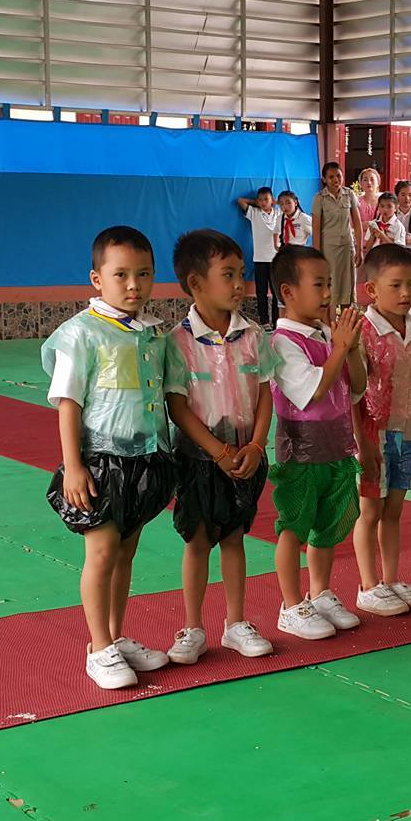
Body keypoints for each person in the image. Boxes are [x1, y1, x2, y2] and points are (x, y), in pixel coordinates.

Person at [43, 226, 180, 690]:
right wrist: (74, 466)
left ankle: (116, 636)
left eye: (144, 274)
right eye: (120, 274)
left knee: (126, 552)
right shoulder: (80, 334)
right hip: (102, 463)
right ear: (96, 279)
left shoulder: (155, 334)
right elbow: (68, 403)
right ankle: (98, 647)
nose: (133, 285)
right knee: (101, 554)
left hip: (146, 460)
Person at [163, 230, 278, 665]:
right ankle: (192, 627)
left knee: (233, 537)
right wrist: (217, 452)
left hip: (246, 456)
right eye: (227, 275)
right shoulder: (178, 342)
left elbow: (264, 392)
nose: (239, 285)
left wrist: (257, 445)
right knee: (198, 540)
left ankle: (235, 623)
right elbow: (177, 406)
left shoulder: (253, 335)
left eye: (241, 274)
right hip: (200, 458)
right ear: (195, 283)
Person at [267, 244, 366, 640]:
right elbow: (313, 391)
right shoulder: (282, 342)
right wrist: (340, 348)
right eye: (319, 285)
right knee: (294, 525)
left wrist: (350, 348)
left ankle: (320, 592)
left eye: (329, 284)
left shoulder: (328, 335)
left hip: (337, 445)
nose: (328, 294)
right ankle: (291, 605)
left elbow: (357, 387)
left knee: (330, 522)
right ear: (288, 292)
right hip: (301, 449)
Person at [352, 244, 411, 616]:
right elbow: (355, 394)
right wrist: (363, 443)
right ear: (372, 290)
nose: (406, 293)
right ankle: (368, 585)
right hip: (374, 436)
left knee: (394, 511)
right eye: (396, 285)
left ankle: (390, 579)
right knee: (370, 512)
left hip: (407, 435)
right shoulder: (362, 333)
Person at [310, 161, 357, 309]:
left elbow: (357, 223)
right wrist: (317, 256)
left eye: (338, 176)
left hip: (347, 247)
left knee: (348, 286)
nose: (336, 180)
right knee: (331, 286)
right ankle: (329, 323)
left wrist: (359, 250)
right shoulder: (319, 198)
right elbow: (316, 228)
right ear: (324, 179)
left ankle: (345, 320)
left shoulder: (349, 194)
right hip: (328, 249)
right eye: (331, 177)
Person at [236, 187, 285, 326]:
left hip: (276, 259)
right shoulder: (254, 213)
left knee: (276, 293)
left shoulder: (279, 213)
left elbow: (290, 206)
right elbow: (240, 201)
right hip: (260, 259)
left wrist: (276, 203)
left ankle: (276, 322)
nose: (263, 202)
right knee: (261, 292)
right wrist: (255, 203)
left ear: (272, 200)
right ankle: (264, 321)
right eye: (260, 200)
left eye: (266, 199)